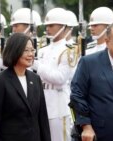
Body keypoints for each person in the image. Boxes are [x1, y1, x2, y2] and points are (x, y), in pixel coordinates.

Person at [0, 33, 51, 141]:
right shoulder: (0, 81)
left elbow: (42, 119)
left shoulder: (35, 79)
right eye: (26, 50)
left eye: (32, 50)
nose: (30, 54)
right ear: (14, 51)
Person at [32, 8, 73, 141]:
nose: (47, 28)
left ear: (63, 26)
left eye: (51, 25)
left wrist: (38, 66)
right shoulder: (43, 50)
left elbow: (60, 78)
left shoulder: (68, 51)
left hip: (58, 105)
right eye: (47, 25)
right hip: (42, 102)